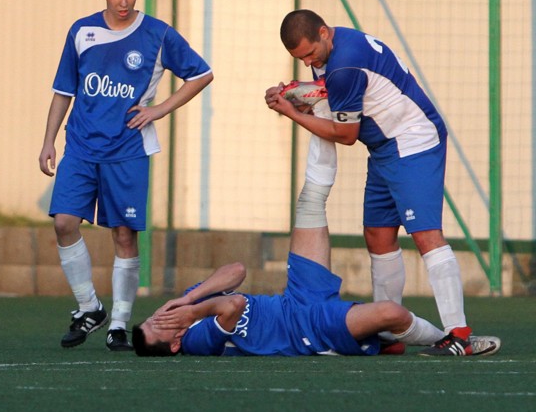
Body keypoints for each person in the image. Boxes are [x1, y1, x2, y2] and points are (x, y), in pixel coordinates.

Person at [132, 89, 501, 358]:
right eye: (158, 326)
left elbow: (237, 271)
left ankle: (322, 107)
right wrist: (193, 311)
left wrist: (187, 298)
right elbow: (234, 306)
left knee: (310, 201)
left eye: (152, 318)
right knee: (391, 313)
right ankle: (448, 340)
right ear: (174, 342)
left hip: (296, 297)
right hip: (307, 329)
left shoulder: (189, 302)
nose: (159, 316)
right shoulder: (195, 341)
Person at [264, 8, 483, 356]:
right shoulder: (335, 47)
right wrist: (294, 93)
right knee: (378, 235)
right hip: (384, 145)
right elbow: (328, 93)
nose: (307, 62)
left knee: (425, 235)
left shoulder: (344, 65)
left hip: (412, 141)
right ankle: (388, 332)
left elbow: (345, 134)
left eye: (309, 54)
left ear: (323, 33)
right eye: (300, 58)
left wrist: (291, 111)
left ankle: (459, 333)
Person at [39, 0, 214, 351]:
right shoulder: (82, 31)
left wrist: (159, 109)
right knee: (64, 222)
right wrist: (48, 140)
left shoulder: (158, 34)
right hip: (80, 147)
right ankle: (89, 307)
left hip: (128, 149)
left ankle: (118, 322)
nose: (123, 1)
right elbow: (63, 91)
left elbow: (202, 74)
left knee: (123, 234)